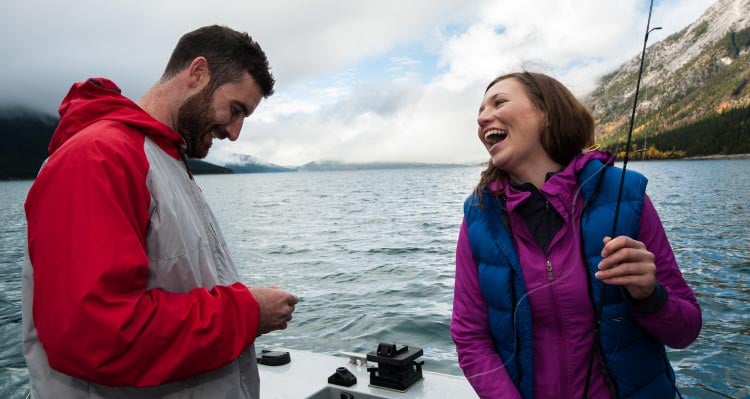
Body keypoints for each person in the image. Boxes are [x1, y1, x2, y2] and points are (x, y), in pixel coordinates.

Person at [22, 25, 298, 399]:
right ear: (197, 73)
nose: (235, 133)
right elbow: (96, 335)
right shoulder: (99, 157)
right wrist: (248, 312)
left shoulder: (163, 160)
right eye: (235, 110)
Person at [450, 72, 702, 399]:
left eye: (499, 102)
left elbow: (686, 330)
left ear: (547, 113)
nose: (483, 117)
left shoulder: (626, 194)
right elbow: (471, 339)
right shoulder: (479, 216)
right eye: (480, 111)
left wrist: (649, 295)